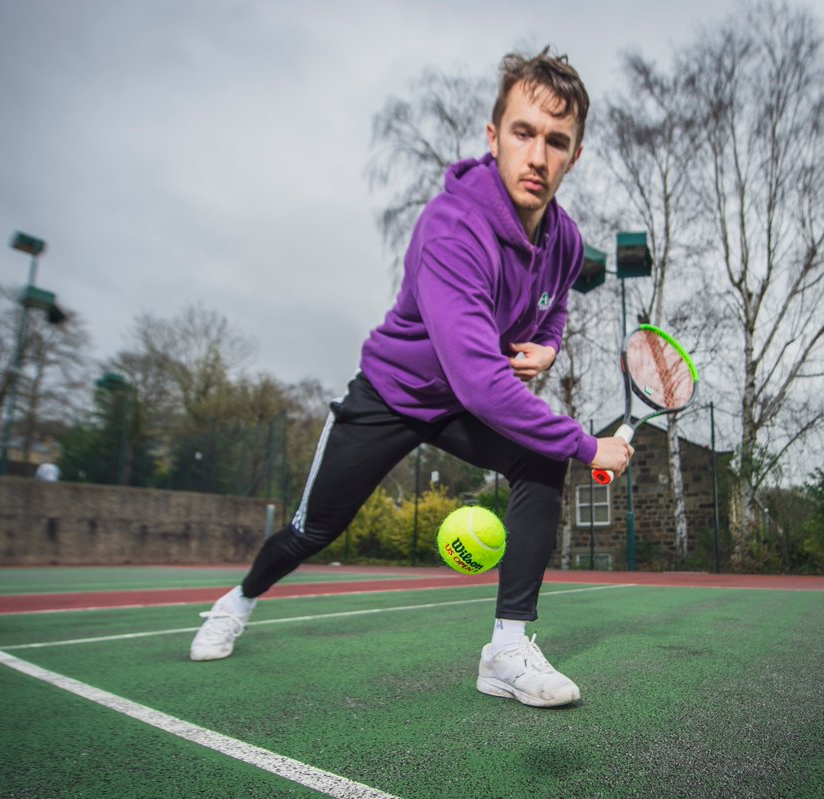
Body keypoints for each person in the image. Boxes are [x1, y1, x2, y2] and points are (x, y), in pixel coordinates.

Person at [189, 46, 633, 708]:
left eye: (556, 141)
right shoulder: (453, 229)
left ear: (574, 154)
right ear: (493, 137)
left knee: (540, 461)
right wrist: (587, 443)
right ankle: (238, 600)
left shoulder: (563, 236)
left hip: (462, 402)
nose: (537, 156)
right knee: (314, 529)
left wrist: (548, 343)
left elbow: (560, 295)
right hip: (394, 394)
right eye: (523, 133)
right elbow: (484, 383)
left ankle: (507, 650)